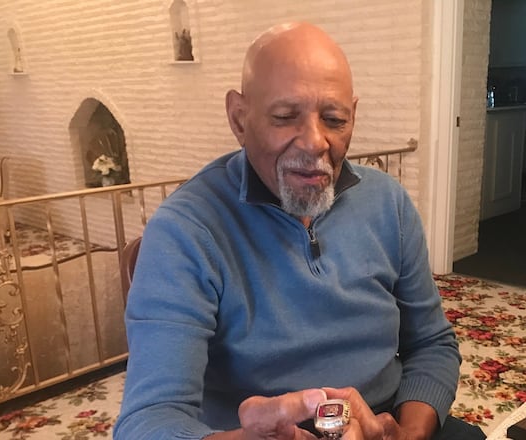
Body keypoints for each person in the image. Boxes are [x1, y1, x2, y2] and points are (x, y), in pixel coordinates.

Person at [113, 22, 484, 440]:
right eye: (285, 117)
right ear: (239, 118)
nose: (314, 142)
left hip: (387, 423)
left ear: (354, 116)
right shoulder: (185, 231)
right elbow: (147, 421)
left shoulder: (388, 203)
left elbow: (431, 344)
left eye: (334, 119)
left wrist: (408, 435)